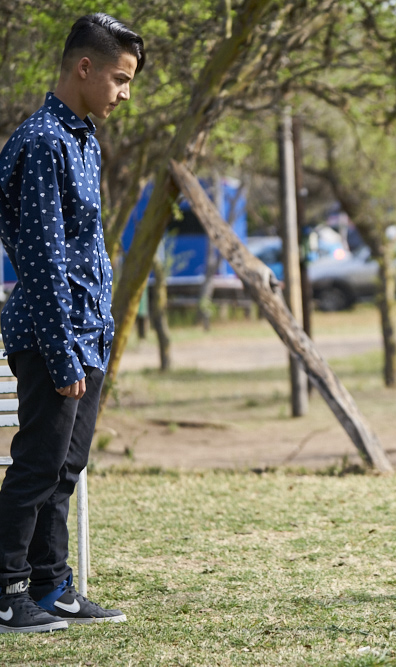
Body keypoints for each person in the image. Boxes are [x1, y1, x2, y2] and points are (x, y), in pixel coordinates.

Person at [0, 14, 144, 633]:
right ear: (84, 68)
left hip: (87, 332)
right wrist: (61, 354)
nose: (124, 94)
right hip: (49, 334)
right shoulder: (42, 142)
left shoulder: (84, 137)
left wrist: (96, 337)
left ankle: (52, 584)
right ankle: (6, 593)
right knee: (36, 465)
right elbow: (42, 260)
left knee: (66, 466)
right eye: (119, 78)